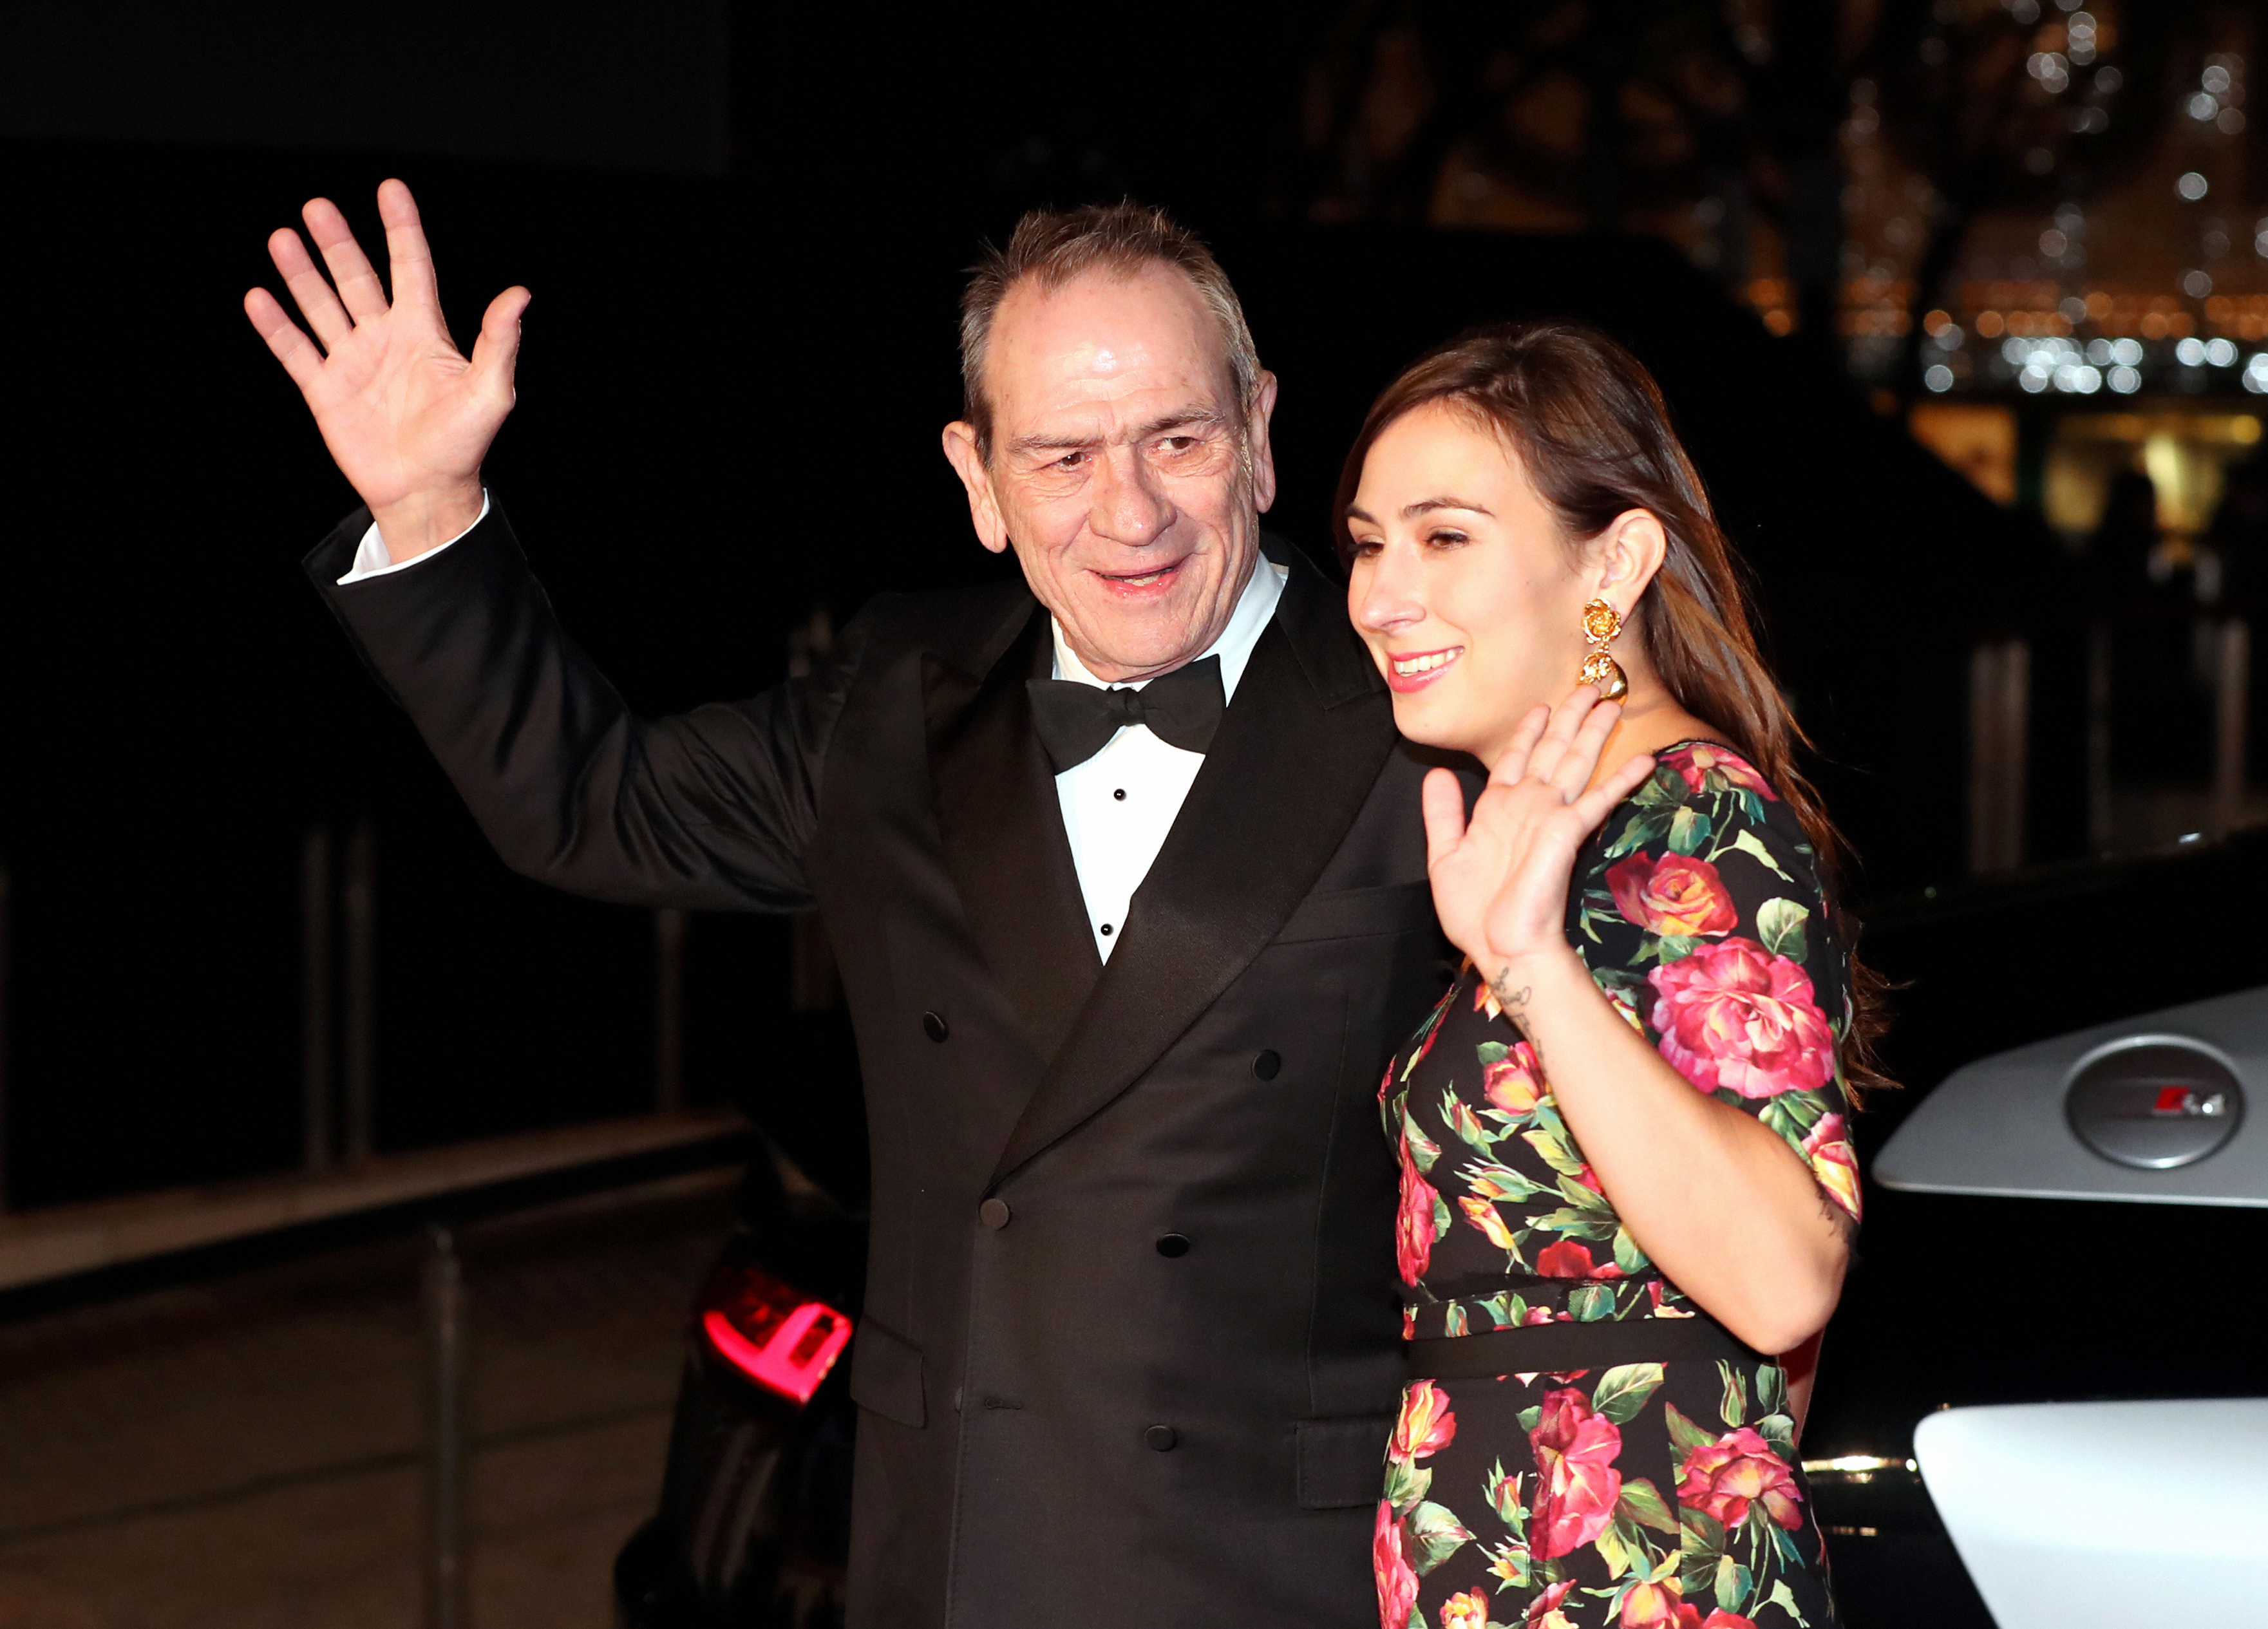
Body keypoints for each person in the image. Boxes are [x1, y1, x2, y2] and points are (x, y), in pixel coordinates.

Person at [245, 184, 1460, 1628]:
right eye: (1060, 455)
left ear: (1259, 433)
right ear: (978, 480)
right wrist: (430, 508)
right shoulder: (892, 700)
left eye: (1176, 439)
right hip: (961, 1548)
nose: (1127, 510)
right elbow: (588, 801)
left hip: (1298, 1567)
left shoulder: (1429, 701)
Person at [1339, 323, 1884, 1628]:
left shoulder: (1688, 816)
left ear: (1616, 561)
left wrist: (1529, 965)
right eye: (1368, 541)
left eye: (1445, 536)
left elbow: (1781, 1280)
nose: (1380, 594)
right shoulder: (1562, 829)